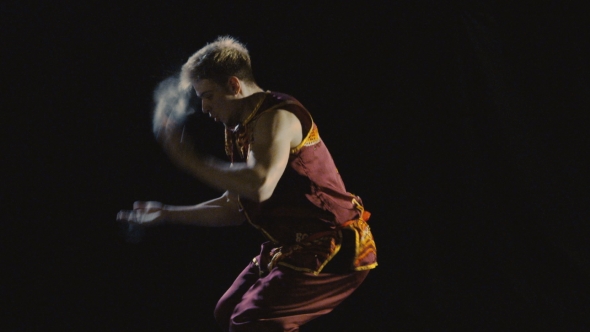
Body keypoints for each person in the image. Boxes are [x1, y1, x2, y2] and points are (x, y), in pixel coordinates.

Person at [117, 36, 377, 332]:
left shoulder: (277, 117)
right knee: (227, 310)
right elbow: (233, 208)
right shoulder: (239, 129)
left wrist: (190, 161)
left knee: (250, 321)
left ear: (234, 85)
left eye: (208, 95)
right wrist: (166, 213)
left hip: (335, 247)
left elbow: (259, 186)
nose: (203, 107)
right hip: (293, 248)